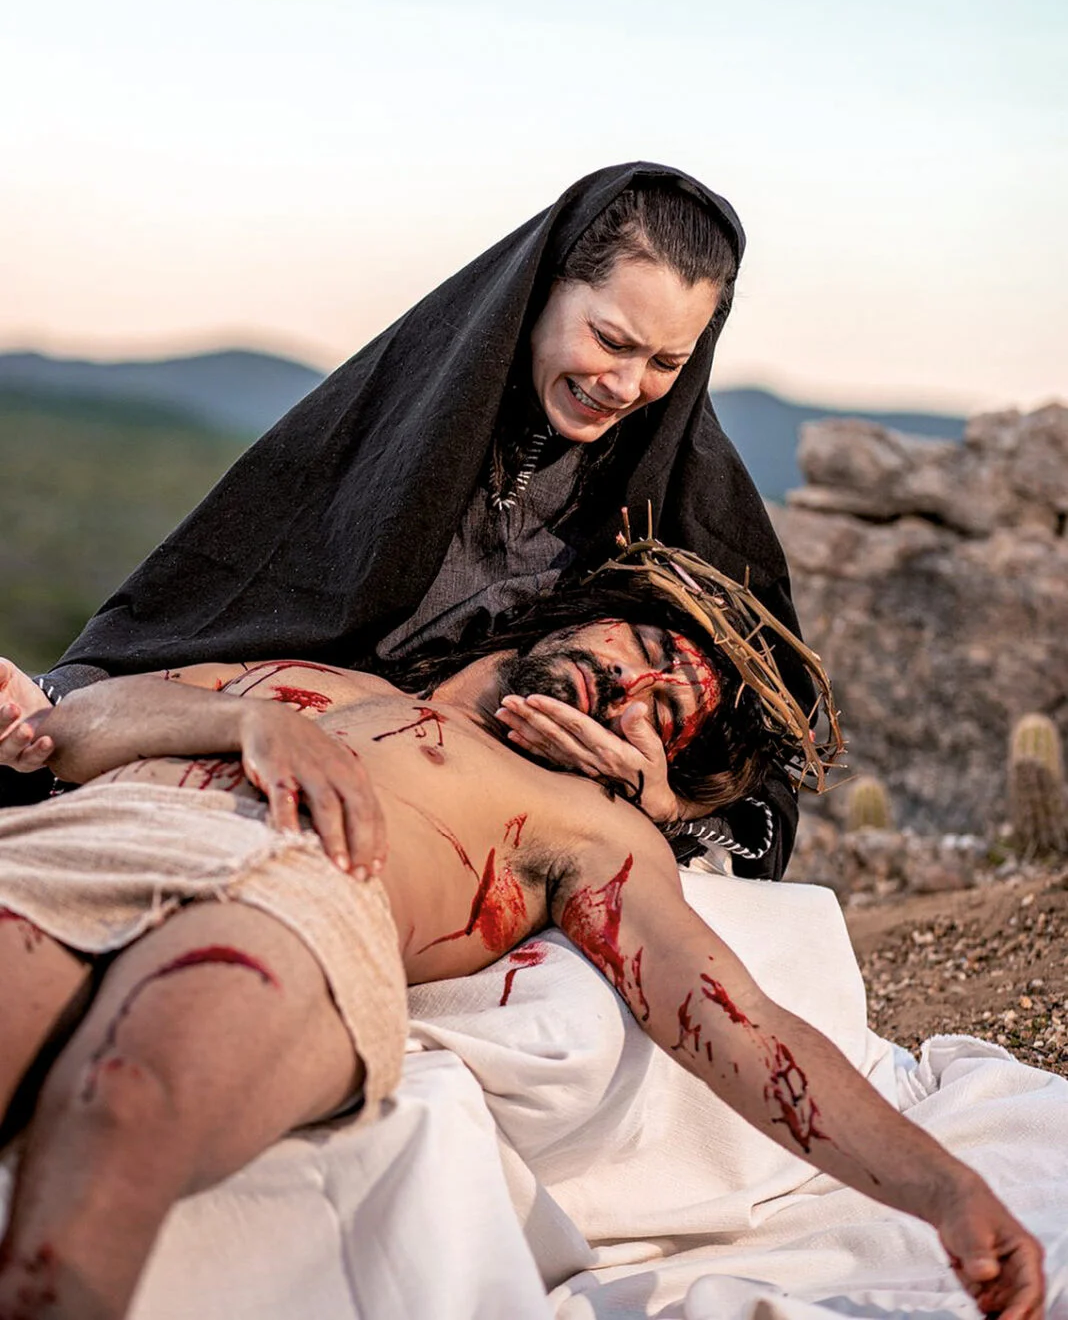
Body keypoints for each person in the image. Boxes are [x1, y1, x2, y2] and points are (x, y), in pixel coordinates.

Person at [0, 548, 1043, 1320]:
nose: (627, 692)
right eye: (634, 655)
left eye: (662, 710)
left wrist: (943, 1189)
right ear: (574, 616)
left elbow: (744, 1025)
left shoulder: (589, 830)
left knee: (129, 1097)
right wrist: (247, 722)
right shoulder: (326, 685)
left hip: (300, 909)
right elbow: (71, 726)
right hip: (95, 845)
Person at [1, 163, 808, 876]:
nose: (626, 385)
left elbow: (764, 805)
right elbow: (205, 626)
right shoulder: (384, 426)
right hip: (269, 777)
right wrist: (48, 701)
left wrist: (669, 810)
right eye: (610, 339)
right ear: (545, 285)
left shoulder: (692, 509)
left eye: (668, 362)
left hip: (486, 848)